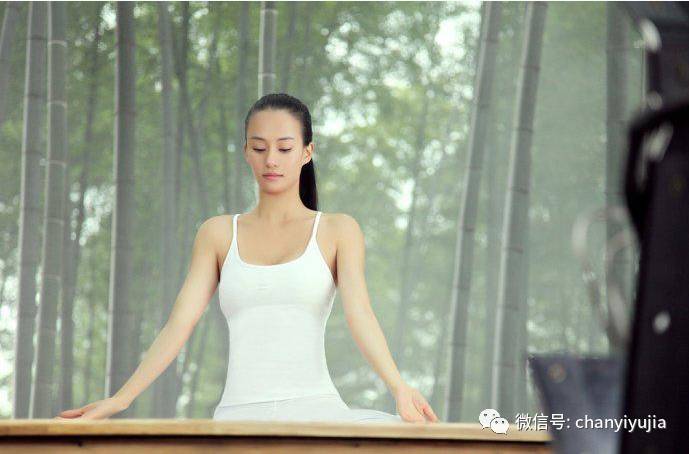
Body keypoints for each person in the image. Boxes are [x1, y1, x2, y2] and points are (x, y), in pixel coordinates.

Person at [56, 93, 439, 424]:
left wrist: (399, 387)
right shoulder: (218, 234)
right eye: (259, 148)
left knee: (418, 439)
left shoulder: (338, 230)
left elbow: (361, 316)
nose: (271, 159)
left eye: (284, 149)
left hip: (317, 412)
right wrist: (121, 399)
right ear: (246, 153)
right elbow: (178, 325)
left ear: (307, 152)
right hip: (238, 416)